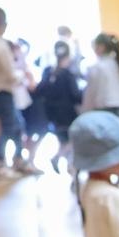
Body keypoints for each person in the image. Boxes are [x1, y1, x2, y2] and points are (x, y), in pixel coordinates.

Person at [0, 7, 36, 175]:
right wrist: (24, 76)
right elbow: (10, 73)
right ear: (3, 24)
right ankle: (0, 160)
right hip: (2, 89)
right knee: (10, 127)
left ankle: (15, 158)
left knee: (15, 125)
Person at [39, 41, 84, 173]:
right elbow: (76, 95)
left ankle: (65, 163)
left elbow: (40, 90)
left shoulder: (49, 72)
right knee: (72, 140)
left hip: (52, 113)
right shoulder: (68, 74)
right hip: (67, 114)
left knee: (63, 139)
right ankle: (65, 163)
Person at [82, 32, 119, 125]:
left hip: (103, 109)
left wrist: (84, 112)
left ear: (101, 47)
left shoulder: (97, 68)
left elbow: (90, 93)